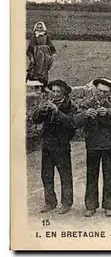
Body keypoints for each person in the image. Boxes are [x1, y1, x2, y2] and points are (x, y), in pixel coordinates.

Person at [73, 78, 111, 217]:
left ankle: (108, 206)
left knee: (109, 175)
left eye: (105, 92)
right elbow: (75, 120)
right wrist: (85, 114)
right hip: (92, 144)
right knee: (92, 175)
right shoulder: (88, 102)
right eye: (99, 91)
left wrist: (108, 112)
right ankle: (91, 206)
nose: (101, 94)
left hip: (110, 144)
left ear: (109, 92)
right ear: (95, 89)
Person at [32, 80, 77, 214]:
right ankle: (50, 202)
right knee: (46, 174)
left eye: (58, 92)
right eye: (54, 91)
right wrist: (41, 111)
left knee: (65, 174)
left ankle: (66, 203)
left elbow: (71, 123)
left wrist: (57, 111)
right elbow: (35, 120)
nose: (55, 94)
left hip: (61, 145)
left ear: (63, 92)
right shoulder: (47, 103)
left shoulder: (70, 105)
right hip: (47, 144)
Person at [26, 22, 57, 87]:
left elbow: (50, 45)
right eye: (38, 27)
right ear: (35, 28)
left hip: (45, 57)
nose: (39, 29)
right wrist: (31, 57)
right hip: (36, 57)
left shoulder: (46, 36)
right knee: (35, 70)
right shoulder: (34, 37)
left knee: (44, 71)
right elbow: (30, 48)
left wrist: (52, 55)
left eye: (41, 27)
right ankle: (35, 86)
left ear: (43, 28)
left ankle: (44, 86)